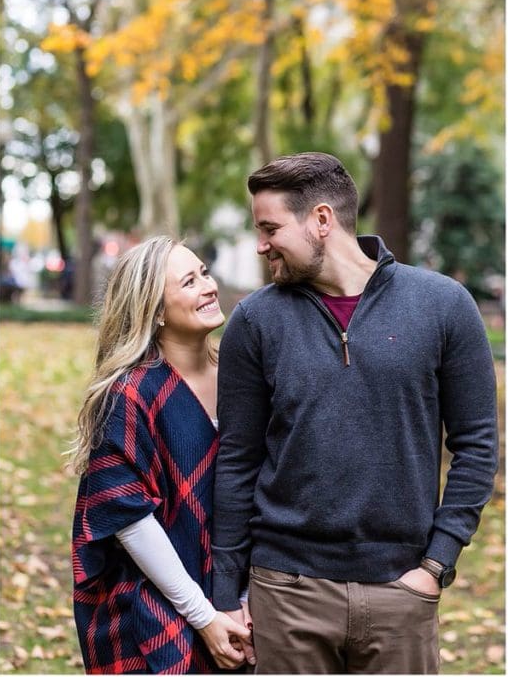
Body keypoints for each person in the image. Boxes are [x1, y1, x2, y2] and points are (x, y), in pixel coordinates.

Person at [212, 152, 499, 673]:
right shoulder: (255, 321)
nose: (261, 244)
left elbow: (477, 446)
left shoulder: (443, 305)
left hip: (402, 591)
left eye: (270, 227)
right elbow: (236, 459)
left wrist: (435, 565)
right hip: (286, 591)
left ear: (321, 220)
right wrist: (226, 593)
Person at [70, 236, 255, 673]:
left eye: (205, 273)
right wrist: (204, 615)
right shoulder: (130, 394)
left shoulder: (241, 377)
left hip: (240, 593)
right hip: (154, 603)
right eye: (189, 282)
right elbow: (129, 520)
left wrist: (243, 599)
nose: (208, 287)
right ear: (155, 310)